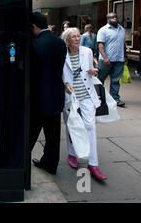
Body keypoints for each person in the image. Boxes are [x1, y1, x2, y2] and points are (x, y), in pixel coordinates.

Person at [62, 28, 107, 181]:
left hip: (87, 94)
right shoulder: (62, 53)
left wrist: (92, 70)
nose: (77, 39)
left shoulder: (87, 51)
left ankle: (93, 164)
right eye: (73, 37)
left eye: (78, 36)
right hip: (71, 95)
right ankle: (72, 153)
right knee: (72, 126)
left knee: (90, 126)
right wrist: (64, 84)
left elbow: (89, 69)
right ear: (67, 40)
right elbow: (59, 73)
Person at [30, 12, 67, 175]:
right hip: (55, 94)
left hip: (38, 96)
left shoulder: (34, 43)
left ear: (33, 26)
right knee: (53, 135)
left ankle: (21, 163)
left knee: (30, 133)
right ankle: (50, 164)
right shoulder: (59, 42)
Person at [97, 12, 127, 107]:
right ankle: (98, 97)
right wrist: (105, 58)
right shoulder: (103, 30)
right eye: (111, 17)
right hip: (105, 60)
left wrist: (125, 56)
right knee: (100, 79)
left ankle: (115, 99)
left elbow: (123, 44)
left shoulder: (122, 29)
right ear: (107, 19)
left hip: (119, 59)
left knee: (115, 80)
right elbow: (100, 45)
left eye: (115, 17)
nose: (114, 18)